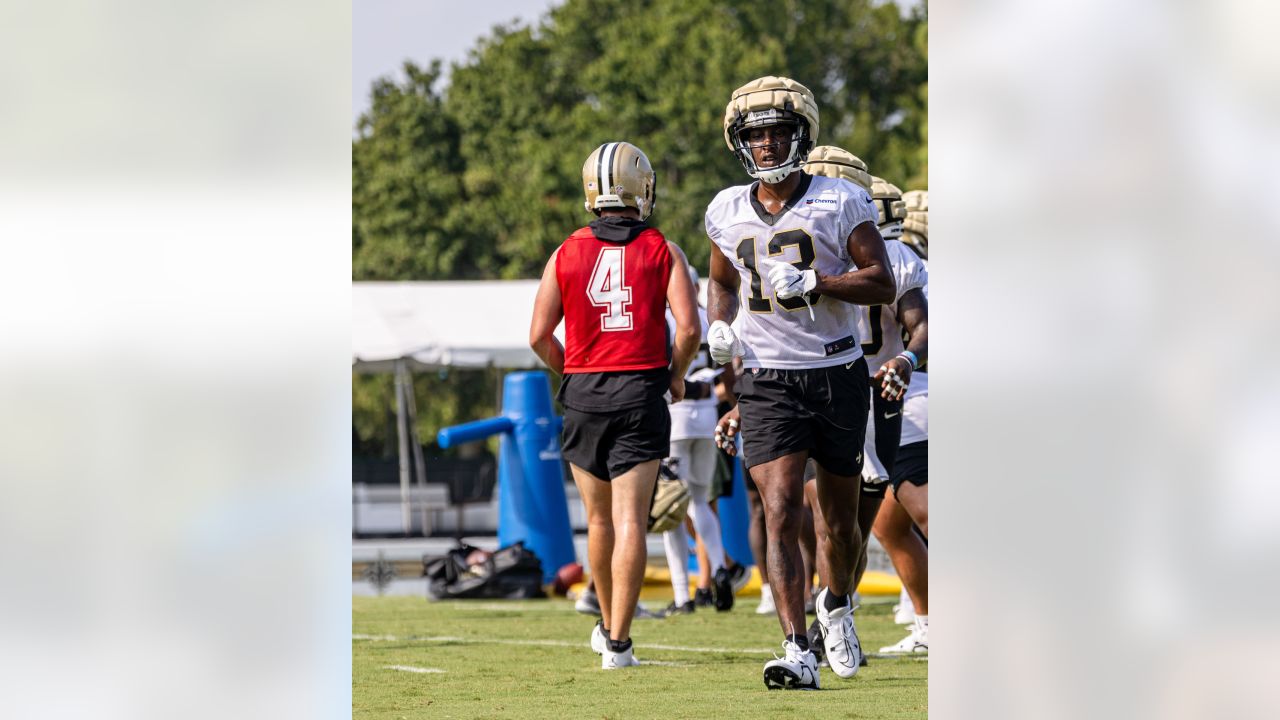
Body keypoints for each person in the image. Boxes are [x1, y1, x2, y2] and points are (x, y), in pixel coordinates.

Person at [705, 76, 896, 689]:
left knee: (839, 524)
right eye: (755, 135)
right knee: (780, 506)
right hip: (767, 379)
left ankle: (836, 603)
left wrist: (820, 284)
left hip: (836, 373)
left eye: (776, 132)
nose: (765, 145)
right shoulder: (725, 209)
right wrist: (718, 326)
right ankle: (795, 648)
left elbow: (881, 281)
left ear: (800, 135)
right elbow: (724, 283)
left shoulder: (840, 200)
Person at [529, 141, 700, 670]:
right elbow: (690, 328)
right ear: (640, 188)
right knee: (631, 522)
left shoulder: (565, 251)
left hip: (583, 396)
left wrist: (573, 370)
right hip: (640, 392)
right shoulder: (663, 250)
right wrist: (675, 376)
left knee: (598, 522)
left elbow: (538, 336)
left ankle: (606, 627)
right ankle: (619, 644)